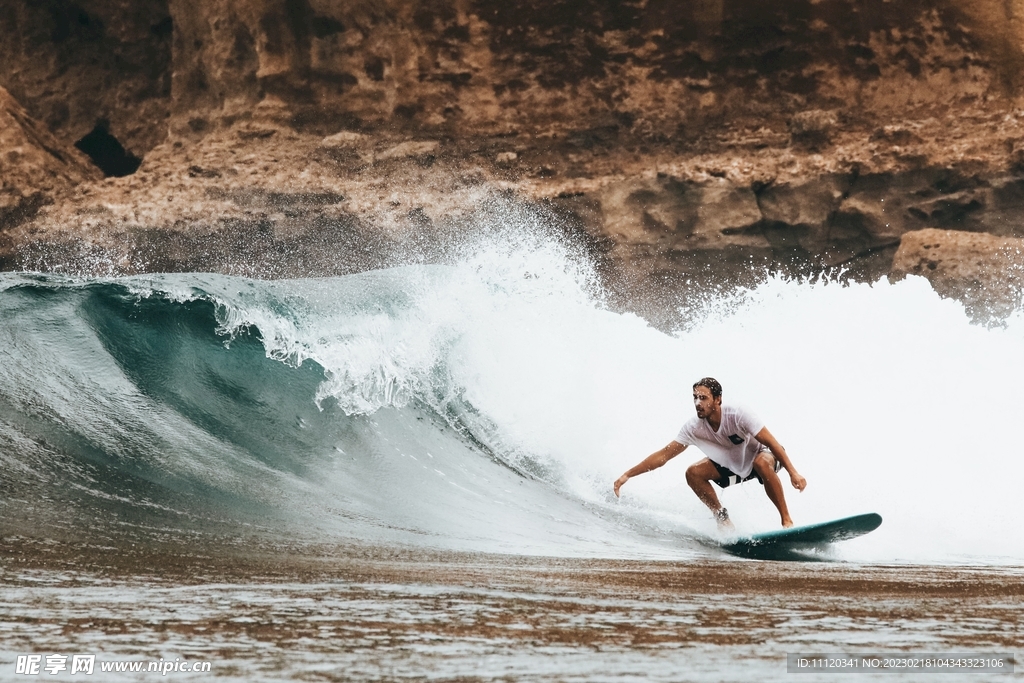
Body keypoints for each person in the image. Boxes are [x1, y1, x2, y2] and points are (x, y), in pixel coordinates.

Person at [613, 377, 807, 530]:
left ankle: (786, 521)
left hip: (765, 455)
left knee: (761, 463)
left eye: (703, 398)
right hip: (736, 466)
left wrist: (793, 472)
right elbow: (663, 456)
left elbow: (772, 443)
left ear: (718, 399)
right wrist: (627, 474)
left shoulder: (738, 414)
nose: (698, 403)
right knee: (693, 473)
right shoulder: (693, 427)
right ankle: (722, 519)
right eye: (695, 398)